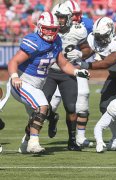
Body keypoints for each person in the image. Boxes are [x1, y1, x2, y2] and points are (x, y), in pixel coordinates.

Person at [8, 11, 89, 153]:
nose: (51, 32)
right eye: (47, 29)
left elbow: (63, 64)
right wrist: (14, 76)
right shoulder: (33, 41)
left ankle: (25, 144)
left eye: (53, 29)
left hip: (37, 85)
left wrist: (77, 72)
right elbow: (13, 61)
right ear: (40, 27)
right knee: (43, 106)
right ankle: (33, 143)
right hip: (23, 82)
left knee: (38, 116)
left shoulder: (57, 41)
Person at [42, 3, 91, 151]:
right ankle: (52, 118)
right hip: (50, 71)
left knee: (71, 107)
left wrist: (81, 54)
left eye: (62, 17)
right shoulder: (47, 28)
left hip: (68, 72)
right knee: (41, 104)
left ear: (69, 18)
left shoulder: (79, 30)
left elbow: (87, 49)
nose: (60, 20)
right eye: (58, 17)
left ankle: (72, 140)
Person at [79, 17, 116, 114]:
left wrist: (84, 65)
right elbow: (87, 53)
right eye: (98, 37)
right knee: (104, 106)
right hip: (114, 76)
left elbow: (107, 63)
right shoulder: (93, 38)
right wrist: (76, 57)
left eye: (103, 36)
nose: (100, 39)